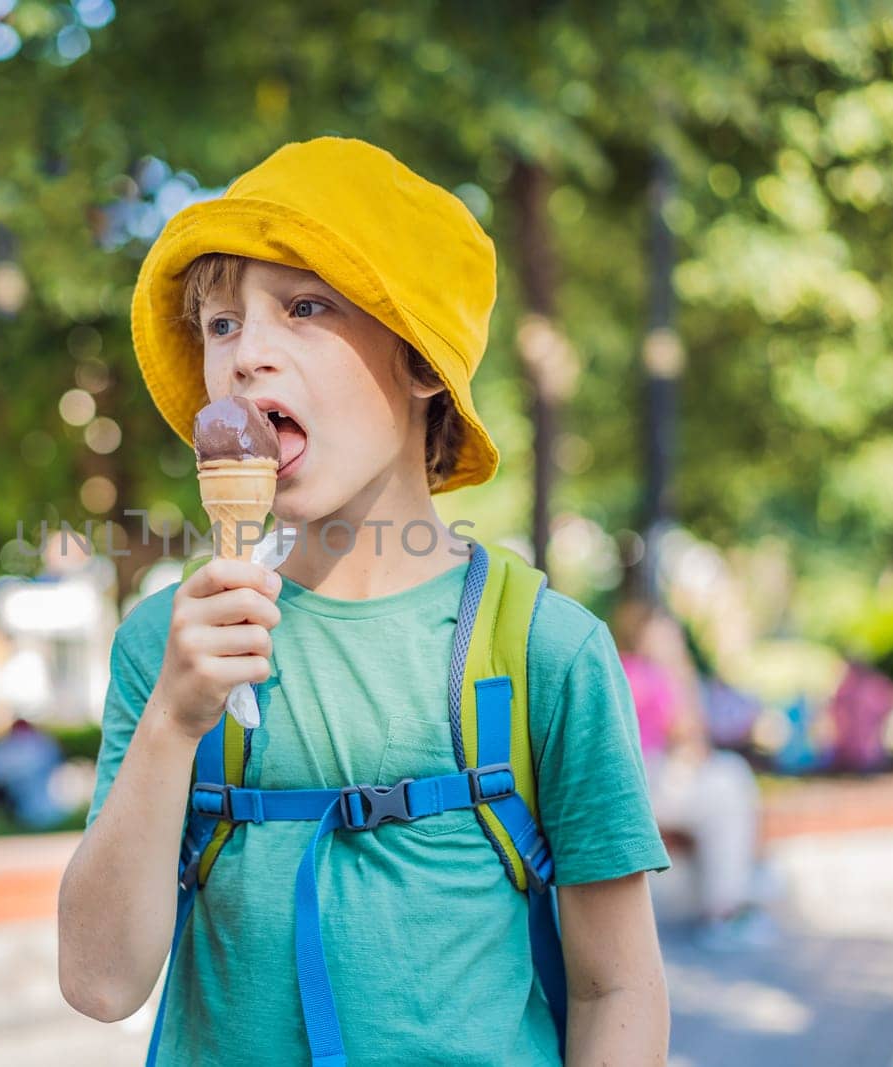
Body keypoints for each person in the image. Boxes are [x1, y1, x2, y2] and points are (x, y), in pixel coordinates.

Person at [58, 138, 670, 1065]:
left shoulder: (543, 649)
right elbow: (100, 983)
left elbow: (616, 983)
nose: (245, 356)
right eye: (221, 325)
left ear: (421, 361)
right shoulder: (169, 646)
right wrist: (176, 722)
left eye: (304, 309)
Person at [610, 599, 773, 950]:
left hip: (639, 780)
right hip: (642, 782)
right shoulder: (645, 674)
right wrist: (679, 671)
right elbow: (692, 737)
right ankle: (727, 908)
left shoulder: (628, 669)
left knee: (730, 778)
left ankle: (735, 893)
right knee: (729, 781)